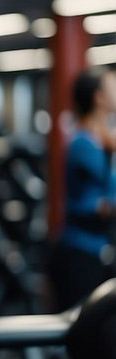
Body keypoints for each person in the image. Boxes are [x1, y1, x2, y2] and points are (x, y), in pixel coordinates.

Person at [50, 67, 116, 309]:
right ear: (99, 97)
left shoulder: (104, 140)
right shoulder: (83, 144)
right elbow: (97, 203)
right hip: (80, 255)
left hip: (99, 251)